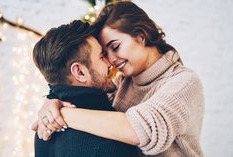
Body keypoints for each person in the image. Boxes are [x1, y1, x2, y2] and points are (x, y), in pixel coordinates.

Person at [32, 1, 205, 157]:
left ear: (141, 36)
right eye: (104, 54)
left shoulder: (184, 82)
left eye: (115, 47)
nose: (111, 60)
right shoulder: (122, 81)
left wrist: (61, 114)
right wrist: (51, 102)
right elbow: (86, 95)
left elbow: (144, 130)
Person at [32, 20, 139, 157]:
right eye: (101, 57)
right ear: (80, 72)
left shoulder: (43, 130)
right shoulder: (112, 144)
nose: (110, 62)